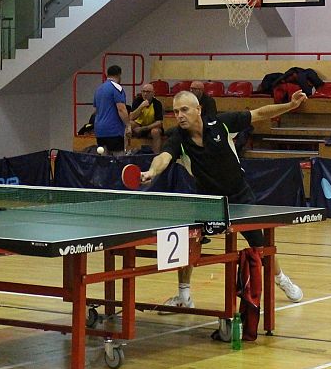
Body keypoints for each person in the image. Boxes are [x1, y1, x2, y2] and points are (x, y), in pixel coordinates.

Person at [140, 89, 307, 307]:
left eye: (184, 110)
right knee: (189, 242)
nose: (179, 115)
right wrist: (152, 172)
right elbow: (164, 157)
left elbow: (259, 113)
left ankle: (282, 279)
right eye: (176, 111)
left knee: (260, 245)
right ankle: (184, 296)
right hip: (208, 202)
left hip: (239, 196)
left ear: (198, 109)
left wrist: (290, 106)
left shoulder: (221, 124)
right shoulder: (178, 139)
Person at [92, 64, 129, 154]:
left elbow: (96, 110)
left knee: (103, 159)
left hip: (99, 130)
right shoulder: (117, 88)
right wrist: (128, 125)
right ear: (119, 75)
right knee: (118, 159)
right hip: (113, 130)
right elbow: (121, 109)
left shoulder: (99, 89)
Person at [127, 83, 165, 153]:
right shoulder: (137, 101)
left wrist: (144, 128)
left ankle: (155, 154)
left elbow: (159, 122)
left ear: (153, 93)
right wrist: (141, 106)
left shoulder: (157, 103)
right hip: (139, 126)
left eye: (148, 92)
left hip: (150, 127)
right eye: (143, 91)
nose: (145, 94)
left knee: (155, 131)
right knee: (129, 124)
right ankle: (126, 150)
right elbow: (131, 117)